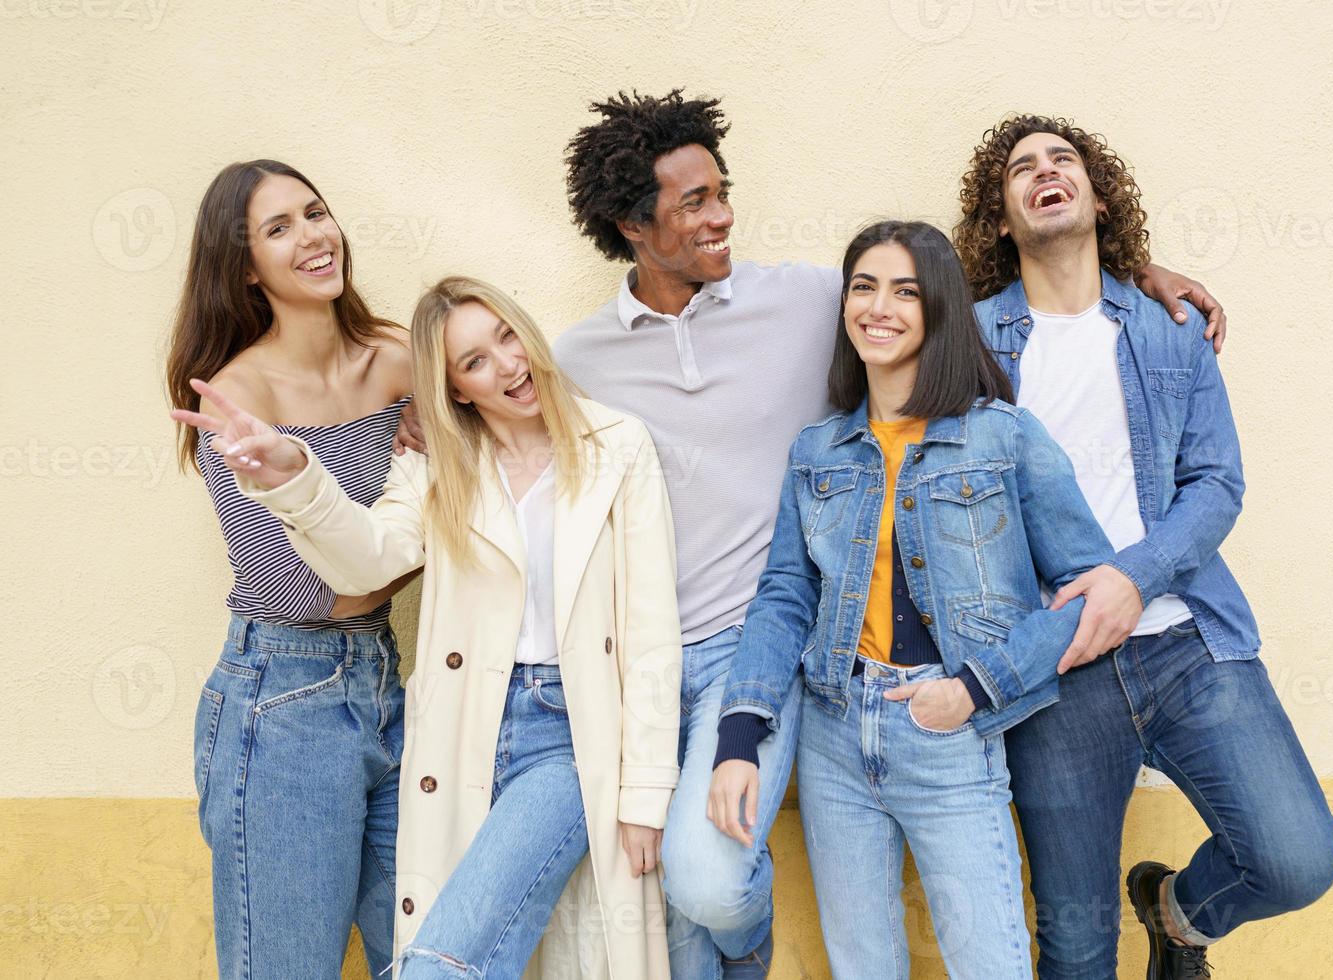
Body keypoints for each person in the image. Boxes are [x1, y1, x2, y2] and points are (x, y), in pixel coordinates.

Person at [399, 89, 1230, 979]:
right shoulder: (576, 360)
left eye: (722, 191)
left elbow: (933, 292)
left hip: (756, 656)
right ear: (630, 226)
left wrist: (1136, 281)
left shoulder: (808, 299)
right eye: (694, 204)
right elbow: (488, 389)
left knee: (710, 880)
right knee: (677, 923)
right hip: (630, 665)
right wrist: (408, 400)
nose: (722, 217)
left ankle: (746, 942)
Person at [171, 276, 682, 979]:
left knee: (442, 965)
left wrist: (647, 796)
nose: (506, 366)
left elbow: (652, 630)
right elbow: (367, 559)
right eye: (474, 362)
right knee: (444, 954)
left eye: (508, 338)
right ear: (455, 389)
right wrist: (296, 476)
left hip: (569, 738)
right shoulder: (438, 465)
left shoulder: (616, 447)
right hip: (456, 735)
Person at [956, 114, 1333, 979]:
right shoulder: (974, 344)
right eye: (1023, 168)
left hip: (1188, 644)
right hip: (1056, 673)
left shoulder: (1167, 324)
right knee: (1079, 948)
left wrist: (1132, 579)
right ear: (1003, 216)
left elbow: (1217, 483)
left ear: (1098, 198)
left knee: (1296, 859)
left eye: (1065, 161)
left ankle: (1177, 915)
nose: (1046, 172)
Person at [706, 219, 1128, 978]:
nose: (880, 306)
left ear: (937, 307)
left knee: (990, 965)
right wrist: (741, 731)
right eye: (864, 287)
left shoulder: (1001, 437)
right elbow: (782, 599)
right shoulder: (818, 451)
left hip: (951, 735)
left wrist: (973, 689)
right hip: (835, 736)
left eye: (905, 290)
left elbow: (1092, 596)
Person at [165, 159, 415, 979]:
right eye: (279, 229)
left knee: (426, 958)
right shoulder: (238, 402)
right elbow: (312, 588)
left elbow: (489, 498)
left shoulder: (400, 360)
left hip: (390, 691)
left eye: (315, 213)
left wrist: (440, 481)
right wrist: (422, 525)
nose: (312, 237)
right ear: (245, 268)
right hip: (282, 701)